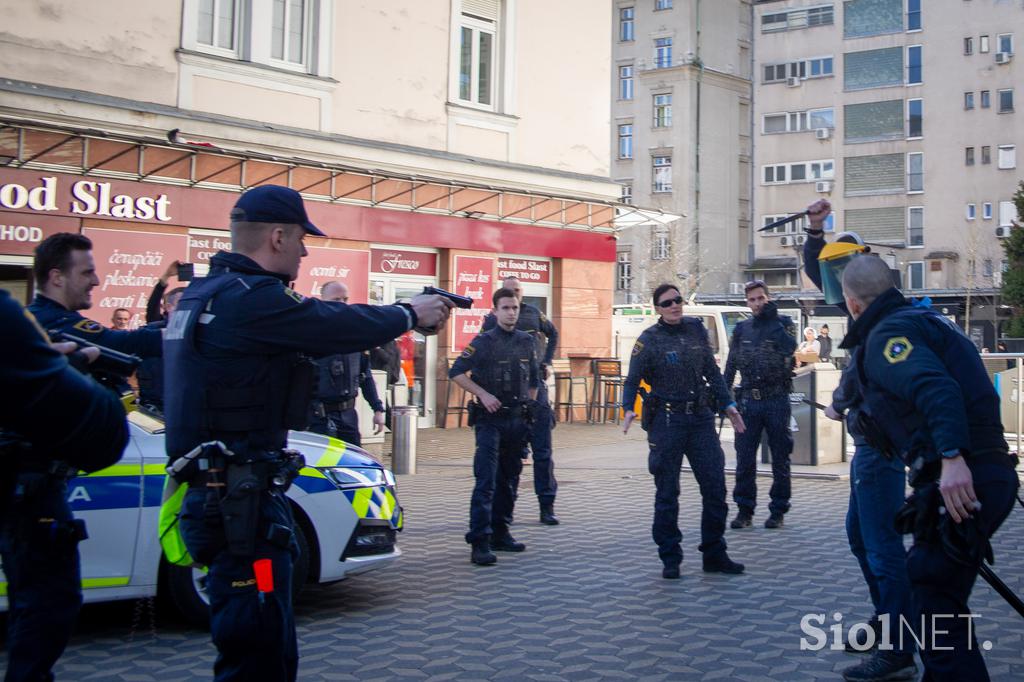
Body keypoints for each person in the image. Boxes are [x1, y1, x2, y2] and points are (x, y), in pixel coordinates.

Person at [162, 184, 452, 681]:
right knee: (258, 653)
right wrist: (408, 314)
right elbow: (329, 322)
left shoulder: (206, 293)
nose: (305, 249)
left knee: (258, 640)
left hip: (227, 499)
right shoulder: (253, 300)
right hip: (241, 510)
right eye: (300, 238)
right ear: (277, 236)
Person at [837, 253, 1018, 681]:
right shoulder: (923, 320)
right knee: (936, 593)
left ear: (853, 304)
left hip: (965, 477)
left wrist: (952, 460)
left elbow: (936, 389)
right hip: (981, 473)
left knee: (933, 593)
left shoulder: (888, 337)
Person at [0, 288, 130, 682]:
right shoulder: (18, 319)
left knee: (34, 601)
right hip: (29, 494)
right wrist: (75, 366)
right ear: (57, 275)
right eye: (86, 272)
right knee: (47, 602)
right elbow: (100, 432)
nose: (93, 282)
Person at [622, 283, 747, 579]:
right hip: (667, 422)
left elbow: (712, 373)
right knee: (668, 492)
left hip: (700, 418)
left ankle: (714, 553)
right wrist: (628, 407)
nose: (675, 306)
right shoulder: (648, 341)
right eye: (667, 303)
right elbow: (632, 380)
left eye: (678, 300)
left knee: (715, 487)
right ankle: (670, 557)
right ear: (658, 309)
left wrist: (728, 403)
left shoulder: (696, 330)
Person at [450, 287, 540, 566]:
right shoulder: (484, 341)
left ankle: (501, 532)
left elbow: (535, 381)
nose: (511, 312)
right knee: (486, 480)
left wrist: (529, 409)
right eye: (505, 308)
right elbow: (455, 372)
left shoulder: (527, 341)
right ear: (495, 311)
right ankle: (479, 540)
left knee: (509, 480)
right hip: (491, 420)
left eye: (514, 307)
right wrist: (483, 394)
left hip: (517, 419)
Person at [481, 275, 561, 525]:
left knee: (543, 451)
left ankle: (546, 505)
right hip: (509, 396)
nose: (513, 298)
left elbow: (554, 334)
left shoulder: (534, 314)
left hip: (536, 389)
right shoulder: (491, 320)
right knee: (510, 457)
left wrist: (547, 360)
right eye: (508, 293)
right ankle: (504, 512)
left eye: (517, 292)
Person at [723, 280, 797, 530]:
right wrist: (725, 399)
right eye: (752, 299)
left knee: (780, 458)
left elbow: (791, 348)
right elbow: (731, 364)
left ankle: (778, 510)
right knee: (744, 458)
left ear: (768, 298)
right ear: (747, 302)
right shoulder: (742, 328)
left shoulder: (783, 323)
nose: (757, 303)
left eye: (761, 298)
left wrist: (773, 322)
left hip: (776, 399)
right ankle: (745, 510)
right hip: (748, 402)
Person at [28, 233, 164, 361]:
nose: (96, 281)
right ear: (57, 278)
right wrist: (179, 332)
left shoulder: (40, 316)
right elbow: (127, 342)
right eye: (87, 273)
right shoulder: (54, 322)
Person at [308, 281, 386, 446]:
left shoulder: (355, 335)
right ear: (322, 301)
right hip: (318, 418)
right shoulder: (311, 335)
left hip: (348, 416)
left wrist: (377, 409)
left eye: (345, 299)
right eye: (336, 300)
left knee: (352, 462)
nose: (342, 304)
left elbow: (365, 376)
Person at [137, 286, 186, 414]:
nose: (186, 308)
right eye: (181, 303)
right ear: (169, 307)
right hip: (154, 406)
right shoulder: (149, 332)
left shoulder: (201, 333)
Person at [145, 259, 182, 324]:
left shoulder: (191, 323)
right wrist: (167, 275)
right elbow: (153, 306)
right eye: (180, 303)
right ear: (168, 307)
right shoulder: (160, 323)